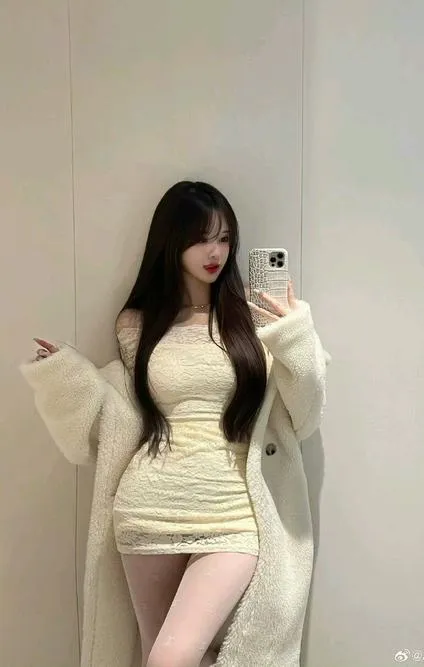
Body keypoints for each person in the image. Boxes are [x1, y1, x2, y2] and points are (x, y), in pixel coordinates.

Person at [20, 180, 330, 667]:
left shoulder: (254, 319)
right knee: (160, 656)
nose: (215, 252)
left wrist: (294, 332)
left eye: (224, 238)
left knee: (171, 658)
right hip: (149, 507)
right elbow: (119, 411)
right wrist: (68, 374)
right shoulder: (137, 324)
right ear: (171, 241)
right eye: (200, 239)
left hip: (231, 513)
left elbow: (304, 413)